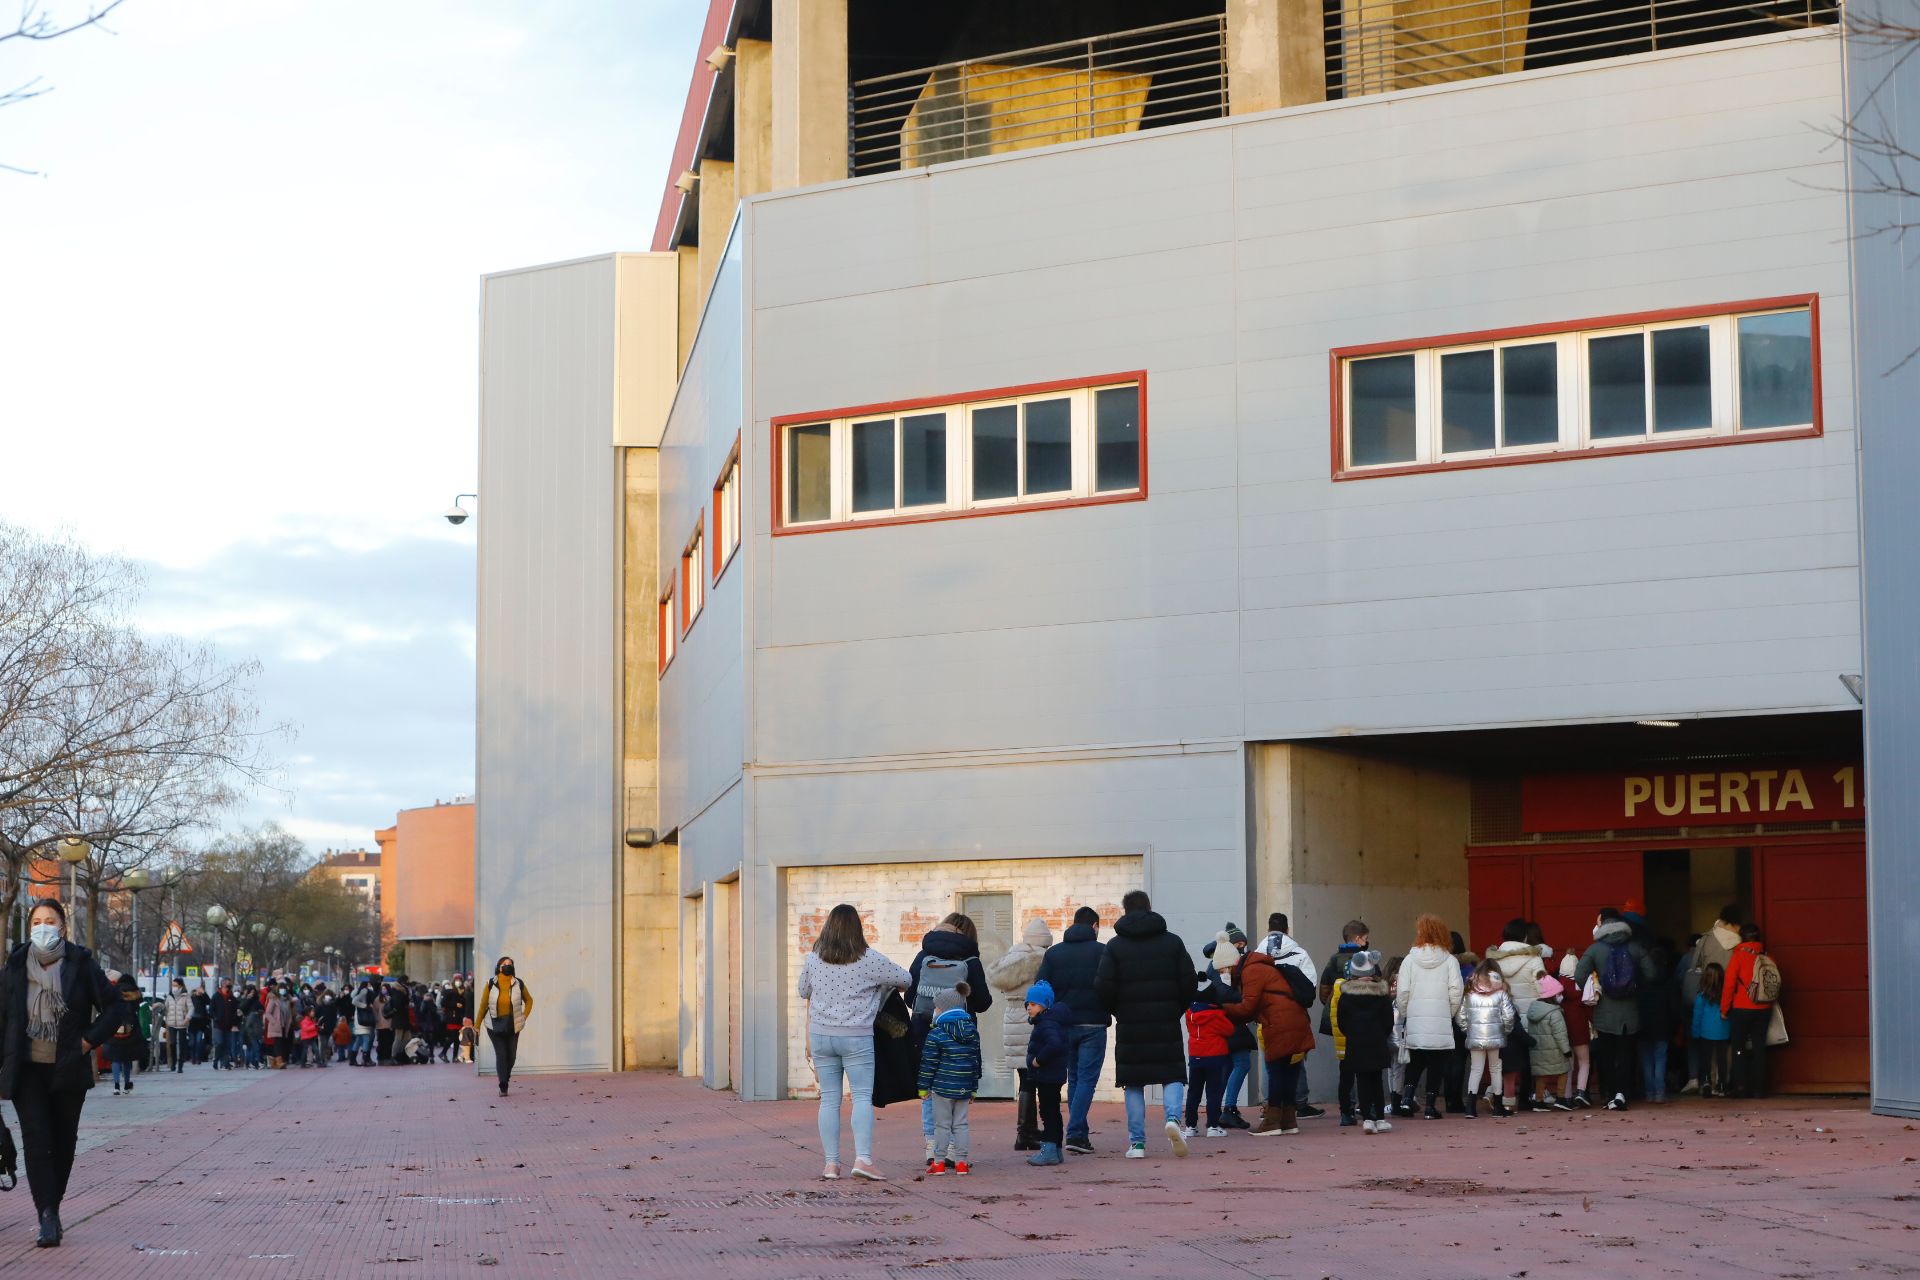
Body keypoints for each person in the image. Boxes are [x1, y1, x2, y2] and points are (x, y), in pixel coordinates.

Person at [0, 900, 121, 1247]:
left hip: (68, 1068)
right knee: (37, 1143)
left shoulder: (81, 964)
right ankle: (47, 1217)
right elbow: (3, 1021)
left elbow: (115, 1007)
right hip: (27, 1070)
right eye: (36, 921)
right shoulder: (14, 966)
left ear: (63, 926)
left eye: (49, 921)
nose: (41, 926)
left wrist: (88, 1042)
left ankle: (53, 1206)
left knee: (63, 1143)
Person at [796, 903, 910, 1182]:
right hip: (856, 1036)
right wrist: (880, 987)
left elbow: (802, 990)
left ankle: (831, 1164)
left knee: (829, 1100)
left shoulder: (814, 958)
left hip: (822, 1035)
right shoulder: (869, 959)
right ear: (857, 929)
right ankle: (863, 1159)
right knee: (860, 1097)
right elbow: (905, 978)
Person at [1095, 890, 1199, 1158]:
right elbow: (1189, 981)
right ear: (1149, 908)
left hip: (1131, 1023)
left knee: (1133, 1082)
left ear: (1125, 911)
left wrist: (1118, 1010)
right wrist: (1176, 1008)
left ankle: (1138, 1144)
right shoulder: (1173, 942)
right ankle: (1173, 1119)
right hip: (1166, 1019)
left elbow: (1103, 986)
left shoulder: (1115, 946)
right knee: (1172, 1073)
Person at [905, 914, 992, 1163]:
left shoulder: (924, 955)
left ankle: (933, 1149)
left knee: (930, 1090)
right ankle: (954, 1150)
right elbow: (984, 1002)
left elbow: (909, 997)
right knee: (958, 1091)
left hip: (925, 1031)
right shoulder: (970, 960)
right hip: (961, 1035)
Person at [1216, 924, 1315, 1136]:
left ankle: (1271, 1124)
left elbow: (1247, 1007)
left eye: (1224, 970)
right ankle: (1289, 1121)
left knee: (1276, 1072)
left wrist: (1222, 1008)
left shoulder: (1252, 971)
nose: (1225, 975)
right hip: (1297, 1023)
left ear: (1231, 964)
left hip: (1280, 1026)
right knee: (1289, 1073)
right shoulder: (1260, 967)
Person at [1035, 905, 1108, 1155]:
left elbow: (1042, 986)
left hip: (1064, 1024)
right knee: (1086, 1079)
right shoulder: (1102, 951)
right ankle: (1076, 1133)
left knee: (1075, 1078)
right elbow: (1111, 985)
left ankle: (1080, 1135)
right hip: (1094, 1022)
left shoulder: (1054, 954)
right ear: (1094, 926)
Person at [1573, 907, 1656, 1111]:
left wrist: (1596, 988)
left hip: (1604, 1012)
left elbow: (1579, 975)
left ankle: (1609, 1093)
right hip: (1630, 1011)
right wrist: (1635, 987)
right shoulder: (1636, 947)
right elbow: (1652, 974)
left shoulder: (1595, 949)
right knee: (1626, 1054)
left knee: (1607, 1055)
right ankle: (1622, 1093)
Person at [984, 916, 1052, 1152]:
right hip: (1032, 1018)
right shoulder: (1040, 960)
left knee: (1025, 1077)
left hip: (1011, 1017)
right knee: (1035, 1078)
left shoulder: (1011, 957)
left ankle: (1026, 1131)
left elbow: (995, 979)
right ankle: (1026, 1133)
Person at [1395, 914, 1465, 1120]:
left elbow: (1403, 992)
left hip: (1416, 1017)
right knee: (1437, 1064)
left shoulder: (1409, 959)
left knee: (1415, 1062)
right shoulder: (1450, 961)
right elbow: (1456, 991)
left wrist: (1408, 1013)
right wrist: (1448, 1013)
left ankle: (1407, 1099)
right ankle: (1430, 1107)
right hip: (1441, 1019)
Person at [1253, 912, 1322, 1118]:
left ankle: (1269, 1107)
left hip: (1266, 1017)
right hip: (1294, 1016)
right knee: (1295, 1059)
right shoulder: (1299, 953)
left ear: (1267, 929)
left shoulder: (1258, 954)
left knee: (1269, 1061)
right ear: (1287, 930)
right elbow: (1310, 986)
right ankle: (1297, 1105)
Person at [917, 983, 982, 1176]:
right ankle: (961, 1162)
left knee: (942, 1125)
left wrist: (923, 1087)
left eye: (936, 1007)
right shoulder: (972, 1032)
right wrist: (973, 1087)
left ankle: (939, 1162)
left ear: (943, 1009)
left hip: (942, 1087)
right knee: (961, 1124)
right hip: (963, 1086)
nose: (934, 1010)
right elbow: (976, 1061)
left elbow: (928, 1063)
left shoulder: (936, 1033)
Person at [1487, 919, 1547, 1108]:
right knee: (1531, 1058)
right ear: (1525, 936)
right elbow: (1542, 987)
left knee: (1504, 1058)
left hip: (1502, 1016)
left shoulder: (1493, 960)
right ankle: (1527, 1097)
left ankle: (1501, 1096)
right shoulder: (1534, 959)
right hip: (1531, 1015)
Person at [1333, 950, 1394, 1134]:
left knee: (1362, 1081)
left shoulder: (1347, 995)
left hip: (1356, 1043)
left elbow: (1341, 1021)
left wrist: (1352, 1034)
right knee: (1377, 1080)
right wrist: (1380, 1035)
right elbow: (1388, 1022)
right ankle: (1381, 1119)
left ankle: (1367, 1118)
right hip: (1376, 1042)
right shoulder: (1381, 995)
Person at [1319, 920, 1369, 1127]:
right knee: (1366, 1067)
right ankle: (1366, 1108)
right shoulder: (1365, 960)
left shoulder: (1333, 960)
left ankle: (1345, 1111)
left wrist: (1332, 1007)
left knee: (1345, 1067)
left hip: (1339, 1021)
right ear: (1357, 939)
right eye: (1365, 938)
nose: (1367, 942)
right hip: (1363, 1020)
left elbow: (1323, 990)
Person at [1721, 925, 1777, 1099]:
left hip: (1742, 1008)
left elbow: (1729, 985)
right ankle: (1759, 1089)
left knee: (1738, 1049)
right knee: (1759, 1049)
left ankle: (1740, 1087)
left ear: (1742, 938)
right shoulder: (1767, 957)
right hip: (1764, 1008)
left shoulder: (1738, 956)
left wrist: (1724, 1009)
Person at [1457, 959, 1516, 1118]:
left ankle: (1470, 1108)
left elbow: (1460, 1017)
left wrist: (1469, 1031)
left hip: (1475, 1037)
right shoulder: (1501, 993)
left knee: (1476, 1070)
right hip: (1496, 1037)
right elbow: (1509, 1016)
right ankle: (1498, 1107)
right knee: (1495, 1069)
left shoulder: (1469, 992)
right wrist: (1506, 1031)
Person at [1023, 981, 1070, 1167]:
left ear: (1044, 1005)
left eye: (1033, 1004)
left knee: (1048, 1112)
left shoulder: (1047, 1023)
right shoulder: (1049, 1021)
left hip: (1047, 1075)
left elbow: (1054, 1044)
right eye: (1028, 1004)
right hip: (1052, 1074)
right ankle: (1056, 1149)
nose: (1029, 1007)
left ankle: (1049, 1149)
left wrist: (1038, 1061)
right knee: (1053, 1111)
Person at [1182, 983, 1234, 1139]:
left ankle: (1190, 1126)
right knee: (1213, 1092)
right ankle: (1212, 1126)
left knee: (1193, 1092)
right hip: (1215, 1056)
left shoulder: (1189, 1013)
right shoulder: (1217, 1014)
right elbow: (1229, 1030)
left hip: (1195, 1055)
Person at [481, 957, 533, 1096]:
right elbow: (483, 1005)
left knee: (512, 1056)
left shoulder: (518, 983)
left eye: (510, 964)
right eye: (505, 964)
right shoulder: (491, 983)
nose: (508, 966)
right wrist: (476, 1025)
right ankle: (503, 1085)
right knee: (502, 1054)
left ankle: (505, 1077)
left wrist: (524, 1016)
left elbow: (529, 1000)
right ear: (499, 967)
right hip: (494, 1024)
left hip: (513, 1024)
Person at [1637, 941, 1678, 1103]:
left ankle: (1649, 1093)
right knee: (1660, 1058)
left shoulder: (1641, 980)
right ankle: (1659, 1093)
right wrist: (1674, 1026)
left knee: (1646, 1060)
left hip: (1643, 1025)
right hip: (1662, 1025)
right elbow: (1674, 1007)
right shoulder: (1669, 980)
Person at [1527, 975, 1573, 1110]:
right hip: (1554, 1050)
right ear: (1552, 995)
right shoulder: (1555, 1013)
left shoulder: (1533, 1010)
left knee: (1541, 1075)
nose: (1561, 996)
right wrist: (1566, 1050)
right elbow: (1560, 1035)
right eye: (1559, 993)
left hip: (1538, 1050)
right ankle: (1560, 1098)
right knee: (1565, 1071)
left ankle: (1539, 1101)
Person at [1691, 961, 1732, 1096]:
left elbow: (1697, 1016)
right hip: (1723, 1032)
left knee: (1706, 1060)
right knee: (1722, 1060)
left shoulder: (1701, 996)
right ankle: (1721, 1085)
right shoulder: (1726, 995)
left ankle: (1707, 1082)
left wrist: (1695, 1033)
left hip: (1705, 1032)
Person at [106, 974, 143, 1095]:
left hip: (114, 1026)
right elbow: (138, 1005)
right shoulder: (135, 992)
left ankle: (116, 1086)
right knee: (127, 1058)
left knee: (115, 1058)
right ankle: (127, 1085)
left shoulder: (114, 990)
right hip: (130, 1028)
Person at [164, 979, 191, 1073]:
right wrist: (159, 1006)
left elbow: (191, 1008)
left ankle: (180, 1064)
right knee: (172, 1043)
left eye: (175, 985)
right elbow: (166, 1007)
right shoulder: (169, 996)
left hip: (182, 1023)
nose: (173, 987)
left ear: (180, 986)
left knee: (182, 1044)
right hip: (171, 1023)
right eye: (173, 985)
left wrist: (187, 1018)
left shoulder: (186, 996)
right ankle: (173, 1062)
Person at [211, 979, 240, 1070]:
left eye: (229, 985)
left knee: (227, 1045)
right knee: (219, 1043)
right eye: (227, 985)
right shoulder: (216, 996)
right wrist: (215, 1018)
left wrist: (235, 1024)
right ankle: (216, 1059)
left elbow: (235, 1011)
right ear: (222, 985)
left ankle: (225, 1063)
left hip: (229, 1025)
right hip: (218, 1025)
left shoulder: (232, 998)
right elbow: (211, 1010)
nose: (229, 987)